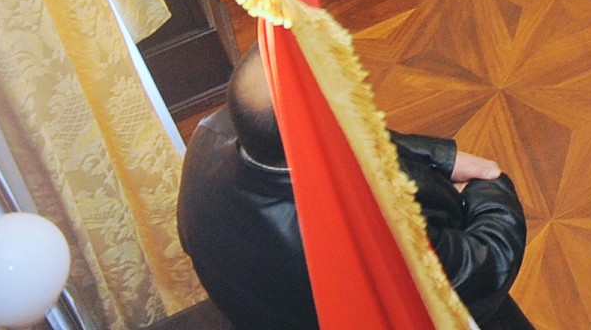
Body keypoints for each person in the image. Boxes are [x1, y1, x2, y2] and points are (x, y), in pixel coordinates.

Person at [176, 47, 527, 330]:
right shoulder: (364, 232)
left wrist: (443, 157)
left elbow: (353, 137)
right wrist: (488, 187)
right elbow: (486, 266)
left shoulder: (208, 139)